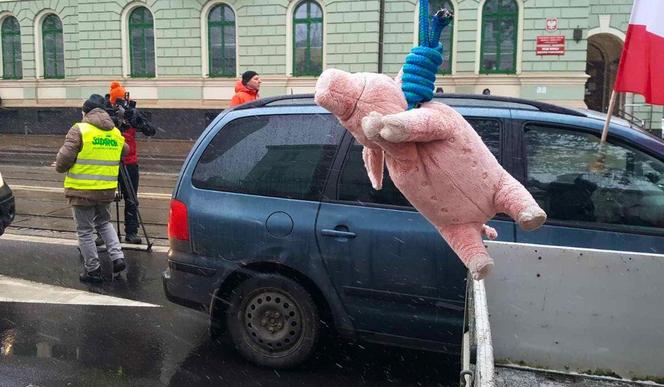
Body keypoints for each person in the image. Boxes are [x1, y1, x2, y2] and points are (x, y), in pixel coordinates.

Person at [55, 94, 129, 283]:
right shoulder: (114, 133)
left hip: (82, 190)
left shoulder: (79, 129)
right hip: (106, 189)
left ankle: (93, 270)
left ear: (86, 111)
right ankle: (117, 257)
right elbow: (125, 150)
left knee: (85, 231)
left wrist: (58, 166)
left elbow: (63, 160)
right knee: (104, 223)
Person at [107, 81, 148, 244]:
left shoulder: (131, 113)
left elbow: (149, 130)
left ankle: (131, 231)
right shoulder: (106, 113)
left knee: (131, 198)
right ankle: (103, 231)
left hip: (129, 162)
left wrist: (135, 119)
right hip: (111, 161)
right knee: (105, 198)